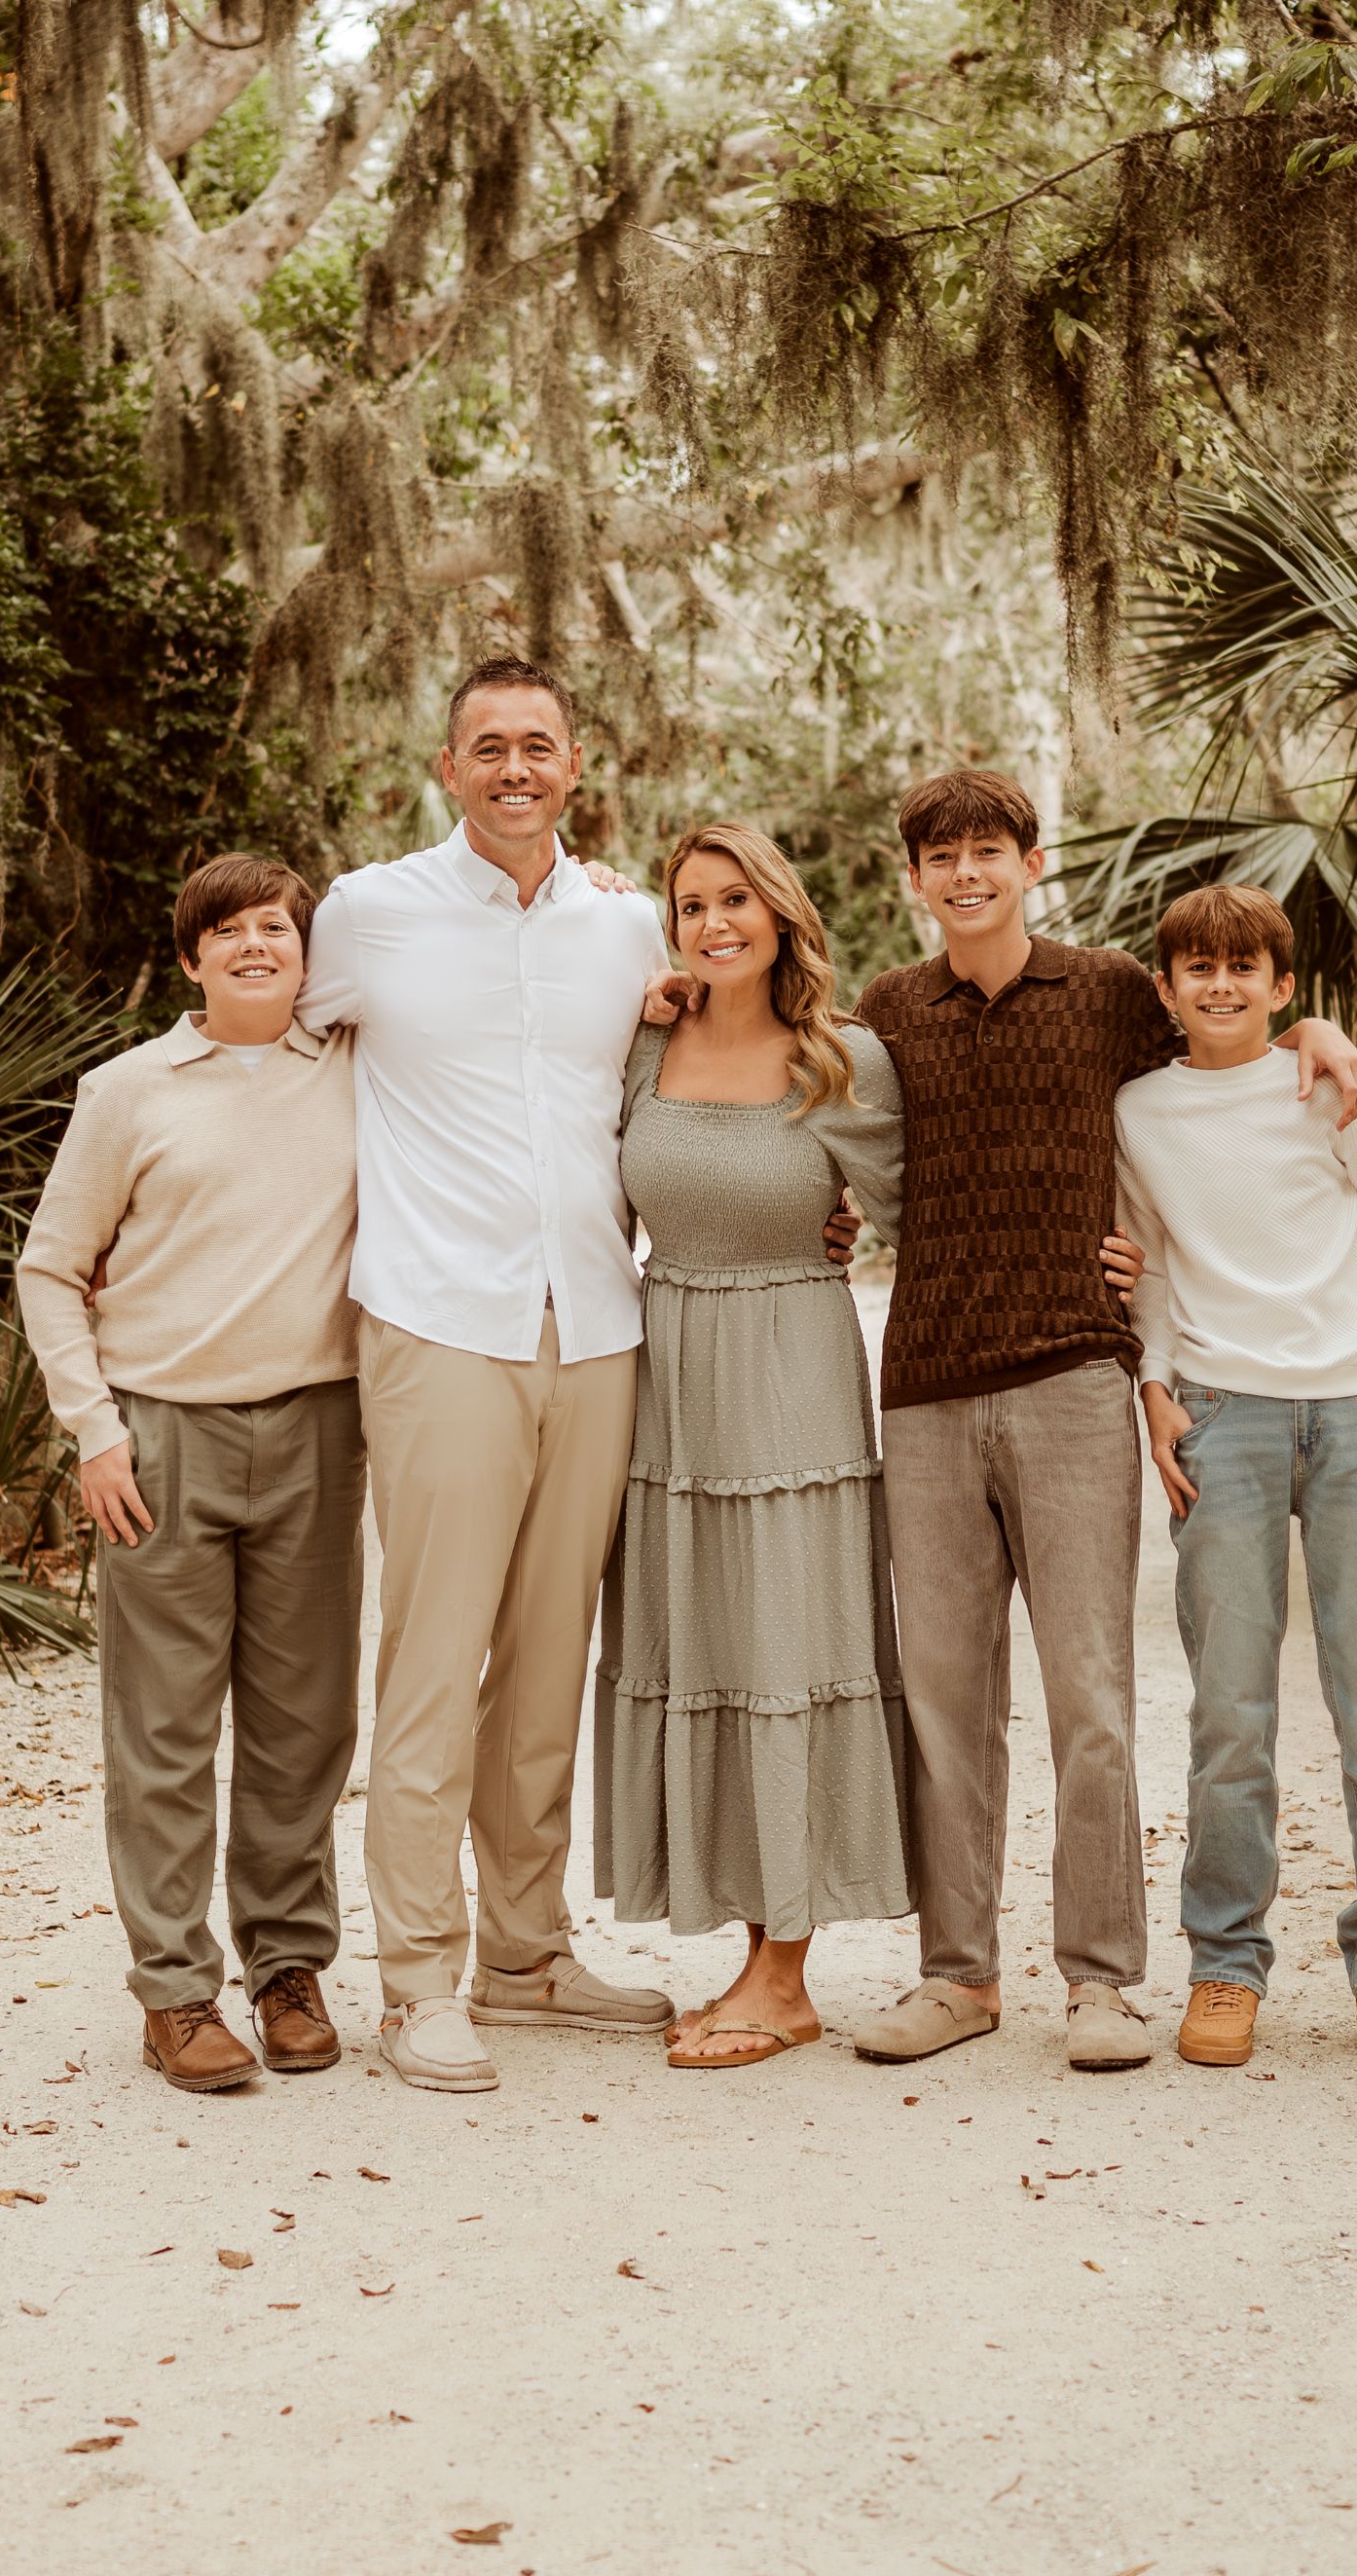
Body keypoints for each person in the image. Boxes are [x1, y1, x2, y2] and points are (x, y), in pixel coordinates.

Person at [851, 769, 1357, 2075]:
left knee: (1089, 1694)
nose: (966, 874)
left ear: (1030, 865)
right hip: (926, 1380)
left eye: (989, 850)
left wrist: (1321, 1030)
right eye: (940, 857)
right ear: (913, 879)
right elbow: (813, 1103)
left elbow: (1225, 1048)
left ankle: (1098, 1982)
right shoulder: (890, 1008)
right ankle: (957, 1976)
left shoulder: (1107, 997)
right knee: (946, 1701)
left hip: (1076, 1380)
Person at [295, 658, 684, 2091]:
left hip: (595, 1326)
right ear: (446, 767)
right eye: (488, 746)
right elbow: (259, 1038)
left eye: (538, 745)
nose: (515, 767)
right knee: (433, 1658)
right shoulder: (366, 913)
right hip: (439, 1323)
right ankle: (415, 1981)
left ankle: (524, 1956)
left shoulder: (628, 924)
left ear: (576, 765)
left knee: (543, 1663)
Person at [14, 854, 362, 2095]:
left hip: (320, 1424)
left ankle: (288, 1969)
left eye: (277, 927)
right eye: (228, 932)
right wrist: (93, 1429)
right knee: (162, 1726)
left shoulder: (358, 1069)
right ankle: (174, 1989)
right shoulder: (128, 1090)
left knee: (303, 1724)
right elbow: (51, 1266)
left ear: (308, 953)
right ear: (190, 959)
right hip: (161, 1437)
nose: (255, 946)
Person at [1113, 883, 1357, 2077]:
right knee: (1230, 1711)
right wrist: (1154, 1384)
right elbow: (1145, 1261)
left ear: (1282, 987)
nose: (1219, 985)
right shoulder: (1138, 1109)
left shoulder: (1329, 1085)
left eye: (1243, 967)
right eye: (1197, 967)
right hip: (1223, 1416)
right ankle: (1225, 1963)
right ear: (1164, 989)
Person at [591, 822, 912, 2066]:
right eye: (690, 904)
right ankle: (745, 1951)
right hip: (665, 1379)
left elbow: (930, 1210)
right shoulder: (644, 1044)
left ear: (780, 914)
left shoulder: (844, 1059)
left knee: (785, 1649)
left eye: (735, 900)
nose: (713, 922)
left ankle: (784, 1976)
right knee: (702, 1649)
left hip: (791, 1383)